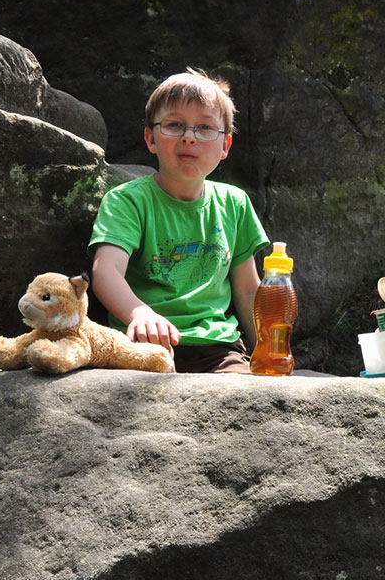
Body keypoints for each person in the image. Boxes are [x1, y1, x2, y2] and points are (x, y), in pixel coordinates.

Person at [88, 68, 268, 373]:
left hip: (218, 348)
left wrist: (268, 350)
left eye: (205, 128)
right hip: (142, 342)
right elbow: (105, 271)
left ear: (225, 145)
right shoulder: (127, 201)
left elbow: (248, 291)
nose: (189, 137)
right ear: (151, 138)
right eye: (174, 125)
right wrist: (139, 314)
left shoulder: (234, 204)